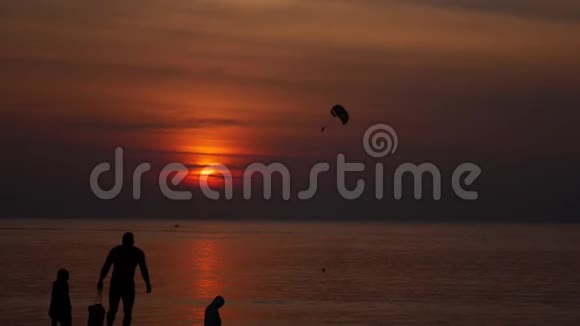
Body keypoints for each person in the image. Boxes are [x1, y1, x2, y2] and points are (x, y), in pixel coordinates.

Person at [97, 232, 151, 326]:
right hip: (119, 285)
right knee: (116, 310)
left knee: (124, 311)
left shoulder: (134, 253)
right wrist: (100, 280)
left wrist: (148, 283)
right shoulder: (122, 251)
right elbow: (106, 266)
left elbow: (144, 270)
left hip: (124, 285)